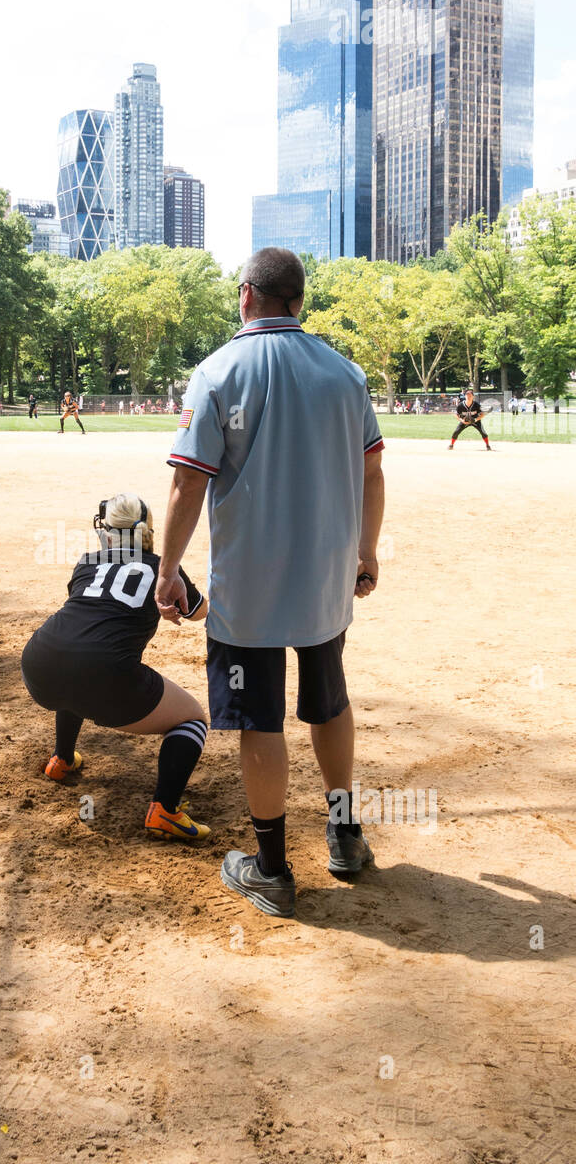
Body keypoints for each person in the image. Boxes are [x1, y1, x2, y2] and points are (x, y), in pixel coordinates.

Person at [155, 247, 385, 919]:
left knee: (259, 719)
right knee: (328, 703)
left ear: (244, 295)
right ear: (298, 299)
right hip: (325, 578)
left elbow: (186, 480)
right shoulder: (344, 374)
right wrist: (366, 552)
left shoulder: (217, 371)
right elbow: (371, 472)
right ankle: (343, 837)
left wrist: (167, 571)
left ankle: (272, 868)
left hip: (248, 588)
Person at [21, 493, 211, 842]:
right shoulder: (161, 566)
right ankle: (165, 811)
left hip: (39, 661)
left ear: (108, 532)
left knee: (75, 665)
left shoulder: (86, 562)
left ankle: (61, 760)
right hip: (104, 675)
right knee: (192, 719)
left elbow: (91, 612)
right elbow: (197, 611)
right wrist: (183, 605)